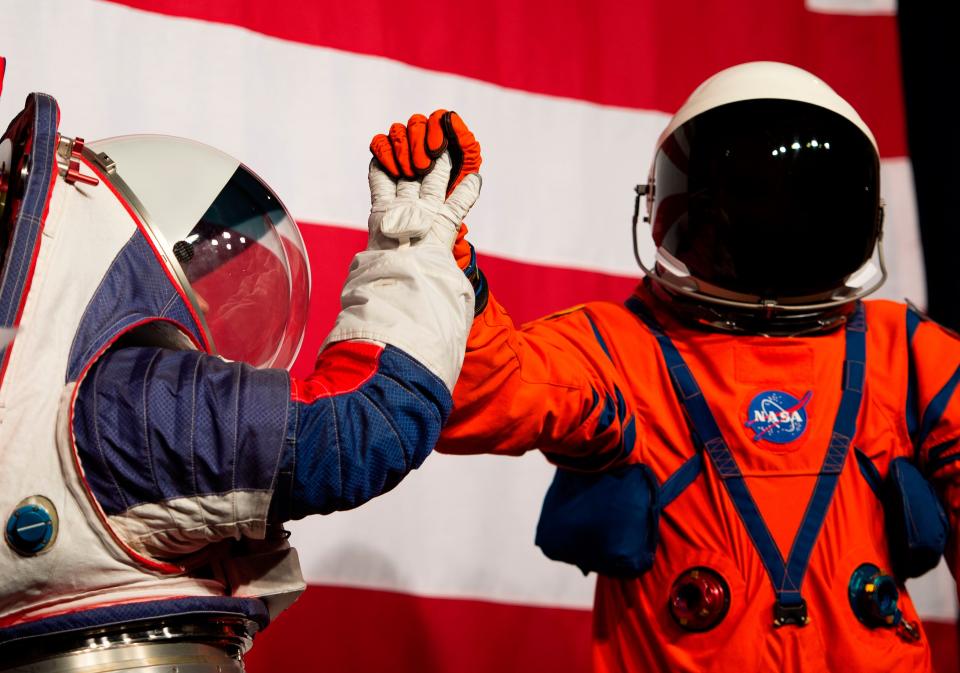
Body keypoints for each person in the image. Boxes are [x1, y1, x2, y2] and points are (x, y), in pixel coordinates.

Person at [371, 62, 959, 672]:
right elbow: (478, 394)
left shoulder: (905, 355)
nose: (767, 231)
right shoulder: (625, 350)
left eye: (794, 204)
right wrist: (436, 257)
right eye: (742, 202)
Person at [0, 62, 481, 671]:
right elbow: (364, 427)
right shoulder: (122, 408)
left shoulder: (46, 393)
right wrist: (417, 250)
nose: (199, 302)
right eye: (183, 281)